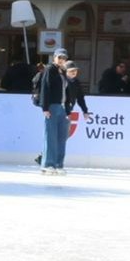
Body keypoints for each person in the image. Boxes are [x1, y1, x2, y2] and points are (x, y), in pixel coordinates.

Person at [33, 42, 84, 172]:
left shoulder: (63, 71)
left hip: (62, 107)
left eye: (64, 58)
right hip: (52, 106)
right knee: (51, 137)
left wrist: (67, 110)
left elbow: (67, 92)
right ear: (54, 57)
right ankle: (48, 164)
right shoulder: (50, 69)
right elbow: (45, 88)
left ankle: (58, 163)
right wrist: (45, 108)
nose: (62, 60)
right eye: (59, 57)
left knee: (61, 137)